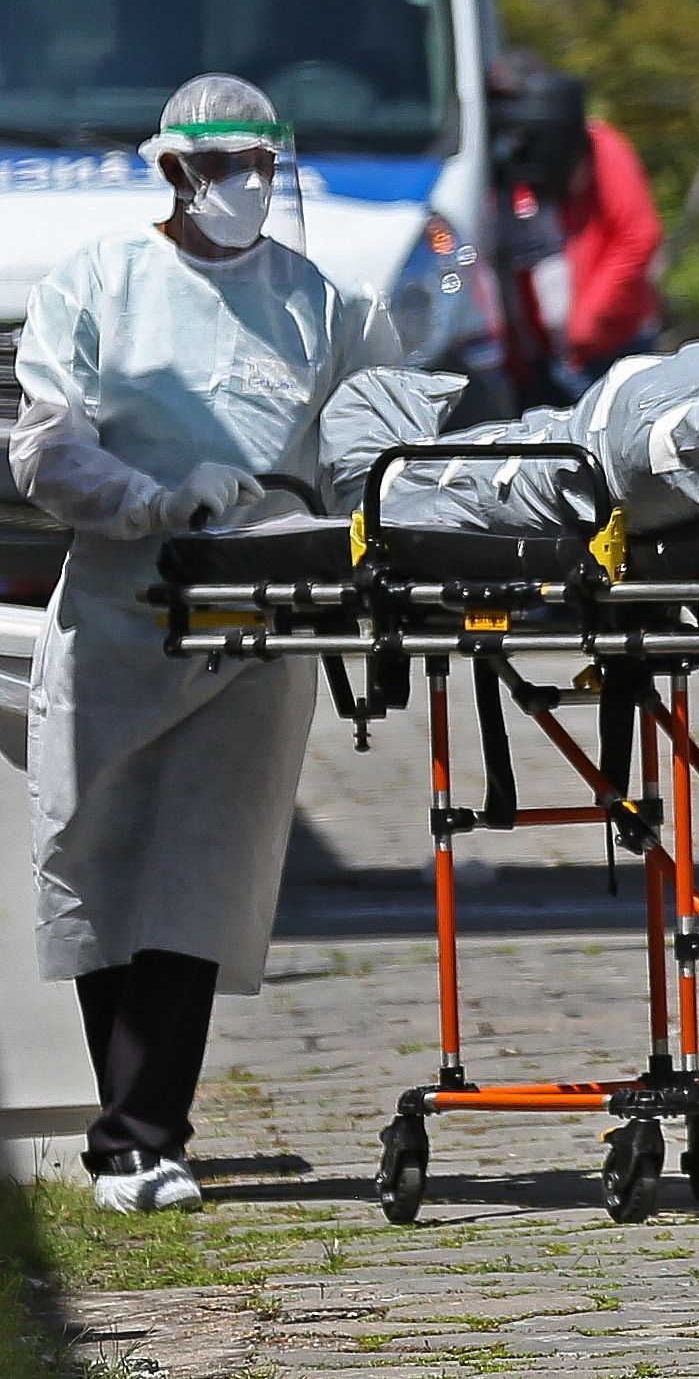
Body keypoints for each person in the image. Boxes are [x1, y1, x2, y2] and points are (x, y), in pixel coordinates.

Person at [10, 75, 399, 1214]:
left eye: (263, 168)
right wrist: (156, 498)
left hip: (255, 629)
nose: (248, 190)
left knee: (196, 871)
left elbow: (367, 444)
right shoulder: (99, 285)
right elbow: (45, 446)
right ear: (174, 172)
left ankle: (141, 1134)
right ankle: (130, 1126)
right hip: (126, 617)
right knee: (99, 857)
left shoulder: (318, 303)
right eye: (225, 169)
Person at [533, 115, 662, 398]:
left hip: (610, 350)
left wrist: (584, 325)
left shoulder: (599, 145)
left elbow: (639, 235)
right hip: (540, 358)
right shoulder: (513, 148)